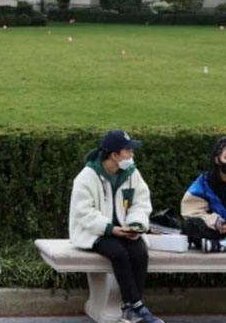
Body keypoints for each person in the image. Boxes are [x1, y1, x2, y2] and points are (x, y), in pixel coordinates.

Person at [68, 129, 162, 323]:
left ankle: (131, 308)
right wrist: (110, 229)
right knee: (118, 254)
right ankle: (136, 306)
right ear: (114, 155)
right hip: (94, 232)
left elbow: (141, 202)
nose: (132, 155)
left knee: (140, 252)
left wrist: (135, 225)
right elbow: (83, 213)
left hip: (124, 231)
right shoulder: (86, 177)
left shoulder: (131, 173)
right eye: (128, 151)